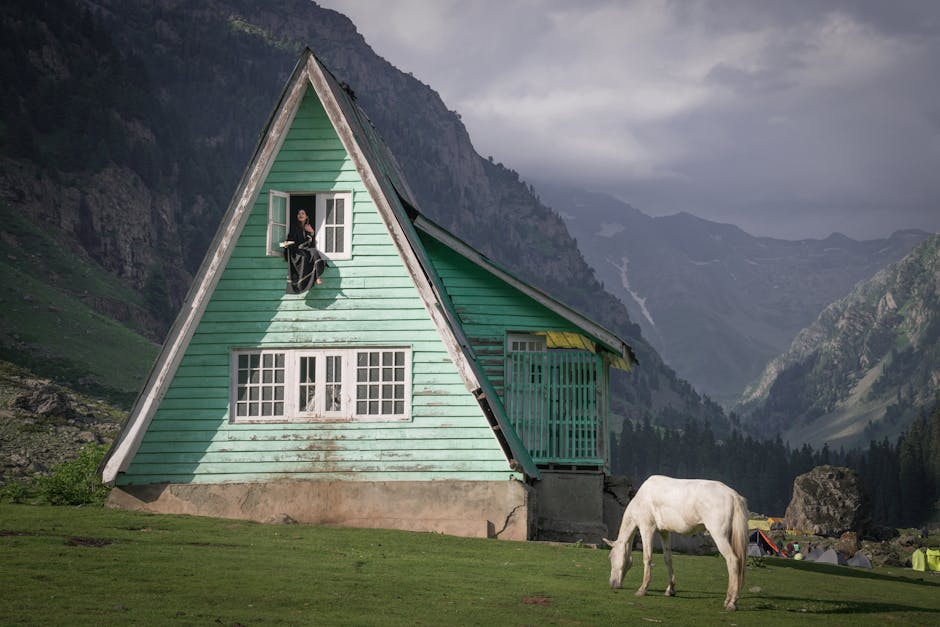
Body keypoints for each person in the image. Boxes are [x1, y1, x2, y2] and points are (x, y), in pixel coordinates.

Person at [283, 208, 326, 293]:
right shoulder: (294, 227)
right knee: (306, 255)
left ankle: (317, 277)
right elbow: (290, 239)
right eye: (299, 213)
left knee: (313, 252)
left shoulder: (308, 227)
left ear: (306, 216)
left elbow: (311, 243)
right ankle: (315, 277)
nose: (301, 215)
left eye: (303, 213)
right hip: (296, 250)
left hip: (305, 249)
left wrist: (312, 232)